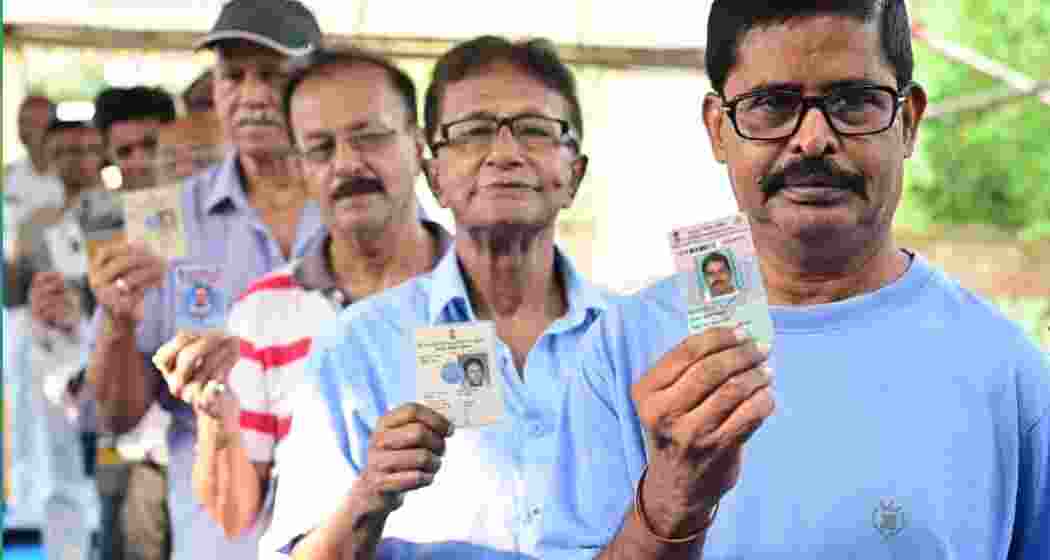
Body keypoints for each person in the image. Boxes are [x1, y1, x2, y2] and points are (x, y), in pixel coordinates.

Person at [538, 2, 1050, 559]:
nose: (812, 139)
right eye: (770, 105)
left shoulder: (1008, 373)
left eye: (854, 101)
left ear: (908, 123)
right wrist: (669, 501)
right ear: (718, 129)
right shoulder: (622, 352)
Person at [266, 35, 606, 560]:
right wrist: (370, 496)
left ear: (574, 176)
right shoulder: (359, 345)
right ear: (434, 176)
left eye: (536, 130)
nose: (505, 154)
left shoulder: (631, 341)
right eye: (472, 133)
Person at [149, 46, 451, 550]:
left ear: (419, 146)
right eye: (320, 147)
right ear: (302, 168)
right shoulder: (264, 312)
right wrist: (215, 415)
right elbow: (235, 516)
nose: (347, 163)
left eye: (370, 137)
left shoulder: (479, 292)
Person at [84, 2, 325, 560]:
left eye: (271, 74)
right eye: (232, 76)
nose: (252, 95)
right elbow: (118, 416)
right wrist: (119, 323)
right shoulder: (160, 219)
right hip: (219, 538)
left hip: (354, 530)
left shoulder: (363, 207)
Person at [13, 120, 106, 560]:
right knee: (58, 470)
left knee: (112, 469)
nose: (80, 158)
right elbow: (11, 293)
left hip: (107, 346)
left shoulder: (122, 212)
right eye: (68, 150)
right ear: (51, 157)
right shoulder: (35, 223)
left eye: (89, 148)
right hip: (51, 357)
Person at [3, 95, 63, 264]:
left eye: (37, 123)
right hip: (12, 272)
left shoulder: (73, 175)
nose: (28, 129)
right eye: (23, 122)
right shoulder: (8, 174)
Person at [94, 86, 177, 191]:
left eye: (149, 145)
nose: (139, 162)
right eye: (124, 151)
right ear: (107, 154)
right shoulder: (98, 204)